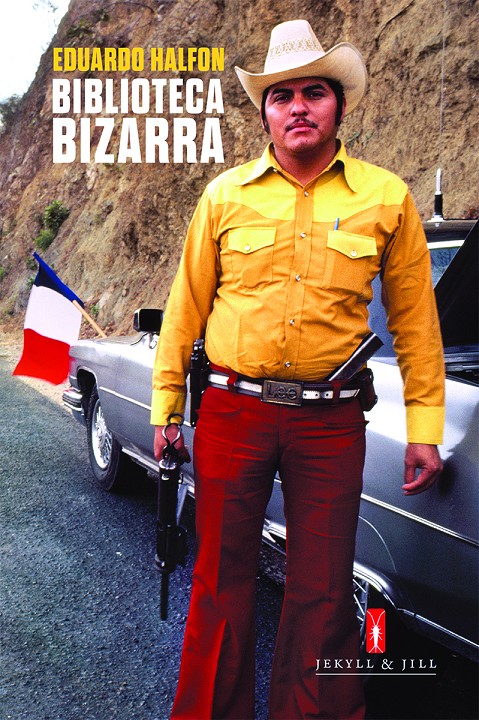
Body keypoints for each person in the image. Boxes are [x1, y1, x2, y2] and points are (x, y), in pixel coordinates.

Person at [150, 19, 444, 720]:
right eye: (281, 96)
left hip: (330, 422)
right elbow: (184, 309)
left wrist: (424, 428)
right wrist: (167, 410)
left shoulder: (386, 198)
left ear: (338, 105)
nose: (298, 107)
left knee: (322, 592)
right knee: (220, 583)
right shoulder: (225, 196)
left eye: (314, 92)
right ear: (265, 115)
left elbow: (415, 323)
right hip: (232, 412)